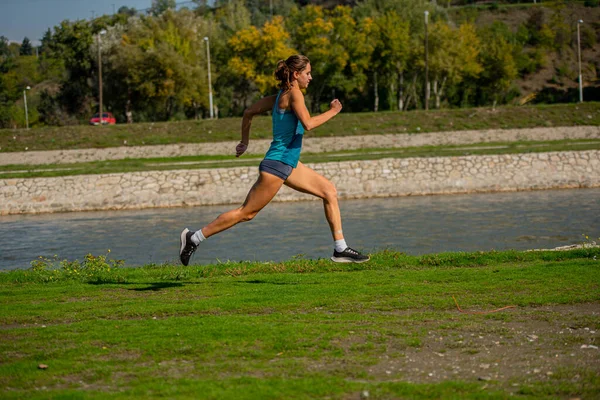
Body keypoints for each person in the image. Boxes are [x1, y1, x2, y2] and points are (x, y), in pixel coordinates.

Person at [179, 55, 369, 266]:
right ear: (296, 75)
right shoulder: (294, 94)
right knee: (246, 213)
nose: (311, 77)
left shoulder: (280, 95)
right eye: (307, 73)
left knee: (329, 191)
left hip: (289, 163)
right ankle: (194, 238)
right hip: (277, 164)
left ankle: (340, 248)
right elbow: (308, 124)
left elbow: (249, 112)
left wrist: (245, 141)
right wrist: (333, 111)